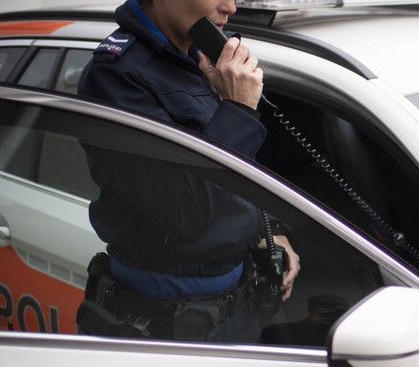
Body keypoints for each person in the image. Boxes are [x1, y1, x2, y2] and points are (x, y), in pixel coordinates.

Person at [76, 0, 299, 342]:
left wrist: (267, 230)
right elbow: (185, 211)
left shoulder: (197, 58)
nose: (230, 7)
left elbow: (234, 173)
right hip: (165, 317)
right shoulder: (115, 76)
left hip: (232, 302)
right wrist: (237, 109)